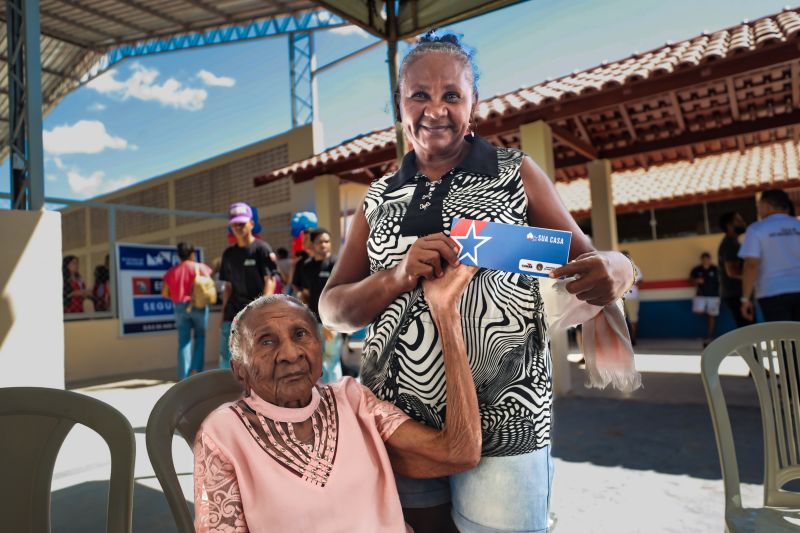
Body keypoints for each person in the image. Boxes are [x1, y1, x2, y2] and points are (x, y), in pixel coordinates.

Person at [318, 31, 636, 533]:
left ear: (475, 105)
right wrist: (399, 275)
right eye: (419, 94)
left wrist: (619, 267)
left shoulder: (516, 174)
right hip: (402, 426)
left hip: (507, 422)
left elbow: (588, 260)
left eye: (452, 95)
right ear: (399, 104)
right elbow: (334, 310)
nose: (435, 108)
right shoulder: (377, 199)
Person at [193, 265, 482, 533]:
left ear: (320, 348)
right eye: (266, 342)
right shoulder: (222, 434)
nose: (291, 354)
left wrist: (446, 313)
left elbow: (459, 451)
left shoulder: (353, 400)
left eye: (300, 334)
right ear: (239, 369)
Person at [219, 202, 278, 369]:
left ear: (251, 224)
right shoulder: (228, 254)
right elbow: (228, 286)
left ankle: (254, 394)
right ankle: (227, 394)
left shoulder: (262, 249)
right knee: (226, 359)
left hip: (254, 316)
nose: (238, 227)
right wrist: (223, 313)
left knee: (255, 359)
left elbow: (270, 280)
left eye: (242, 223)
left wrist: (262, 310)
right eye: (234, 224)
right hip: (231, 315)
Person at [740, 189, 800, 322]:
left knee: (782, 338)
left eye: (758, 205)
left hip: (772, 292)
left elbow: (751, 265)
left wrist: (745, 299)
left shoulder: (756, 229)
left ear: (767, 205)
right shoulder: (798, 225)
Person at [292, 228, 341, 382]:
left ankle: (337, 397)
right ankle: (320, 398)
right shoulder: (306, 266)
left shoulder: (336, 263)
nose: (324, 245)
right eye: (320, 242)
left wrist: (332, 322)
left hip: (331, 320)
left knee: (331, 360)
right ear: (312, 244)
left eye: (327, 241)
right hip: (312, 321)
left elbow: (341, 292)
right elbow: (302, 290)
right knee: (314, 360)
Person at [162, 242, 213, 379]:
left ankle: (184, 377)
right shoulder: (201, 267)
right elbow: (208, 287)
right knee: (200, 337)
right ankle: (196, 371)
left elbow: (165, 293)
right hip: (199, 305)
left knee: (184, 341)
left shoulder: (172, 272)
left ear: (179, 256)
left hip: (180, 306)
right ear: (192, 254)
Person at [717, 212, 753, 328]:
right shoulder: (730, 244)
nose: (743, 222)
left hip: (736, 293)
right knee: (748, 329)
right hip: (736, 294)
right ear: (729, 226)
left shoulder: (734, 242)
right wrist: (753, 277)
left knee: (748, 328)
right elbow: (732, 272)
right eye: (738, 220)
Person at [690, 252, 721, 346]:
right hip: (701, 296)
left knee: (712, 316)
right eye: (704, 259)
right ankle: (708, 312)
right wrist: (696, 280)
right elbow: (690, 280)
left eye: (707, 259)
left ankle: (709, 336)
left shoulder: (715, 269)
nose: (706, 261)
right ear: (701, 259)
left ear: (710, 259)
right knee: (698, 311)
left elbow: (721, 282)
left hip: (714, 296)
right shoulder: (696, 269)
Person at [621, 250, 643, 346]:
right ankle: (624, 340)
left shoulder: (635, 268)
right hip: (620, 297)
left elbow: (640, 281)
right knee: (621, 319)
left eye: (626, 256)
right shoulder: (619, 268)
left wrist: (630, 282)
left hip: (631, 297)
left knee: (633, 319)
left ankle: (633, 339)